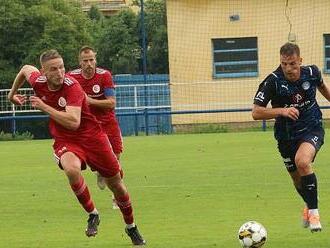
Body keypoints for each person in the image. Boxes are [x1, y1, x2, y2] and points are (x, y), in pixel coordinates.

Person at [8, 49, 146, 245]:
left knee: (117, 185)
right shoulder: (38, 82)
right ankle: (93, 214)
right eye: (53, 69)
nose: (60, 73)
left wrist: (44, 107)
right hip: (66, 140)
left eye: (62, 67)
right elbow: (25, 69)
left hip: (93, 137)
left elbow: (73, 121)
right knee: (71, 168)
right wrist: (11, 95)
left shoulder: (72, 87)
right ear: (44, 72)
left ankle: (131, 226)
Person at [252, 42, 330, 232]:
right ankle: (310, 202)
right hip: (286, 136)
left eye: (293, 64)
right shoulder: (273, 81)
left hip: (312, 128)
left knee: (302, 162)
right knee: (297, 179)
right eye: (284, 64)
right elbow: (256, 112)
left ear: (300, 61)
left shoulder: (312, 73)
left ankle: (314, 214)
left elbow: (325, 90)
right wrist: (282, 111)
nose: (289, 68)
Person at [68, 46, 123, 209]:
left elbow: (112, 103)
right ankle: (99, 171)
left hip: (108, 123)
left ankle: (116, 197)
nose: (89, 64)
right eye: (85, 61)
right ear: (80, 62)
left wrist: (89, 101)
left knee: (115, 160)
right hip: (87, 125)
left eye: (91, 60)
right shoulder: (72, 77)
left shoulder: (104, 75)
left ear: (95, 60)